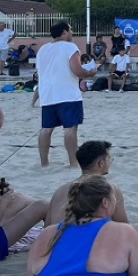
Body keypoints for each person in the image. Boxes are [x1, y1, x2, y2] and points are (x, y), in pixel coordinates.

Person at [46, 140, 138, 240]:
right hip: (92, 243)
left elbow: (47, 226)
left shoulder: (60, 190)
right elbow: (124, 226)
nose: (110, 161)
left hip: (58, 242)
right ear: (101, 163)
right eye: (109, 158)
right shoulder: (108, 188)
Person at [36, 21, 97, 167]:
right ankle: (73, 162)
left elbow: (40, 72)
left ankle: (44, 163)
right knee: (70, 128)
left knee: (46, 129)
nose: (72, 32)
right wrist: (90, 72)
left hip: (47, 94)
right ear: (64, 32)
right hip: (67, 94)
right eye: (70, 29)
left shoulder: (43, 49)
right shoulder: (70, 47)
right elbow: (77, 70)